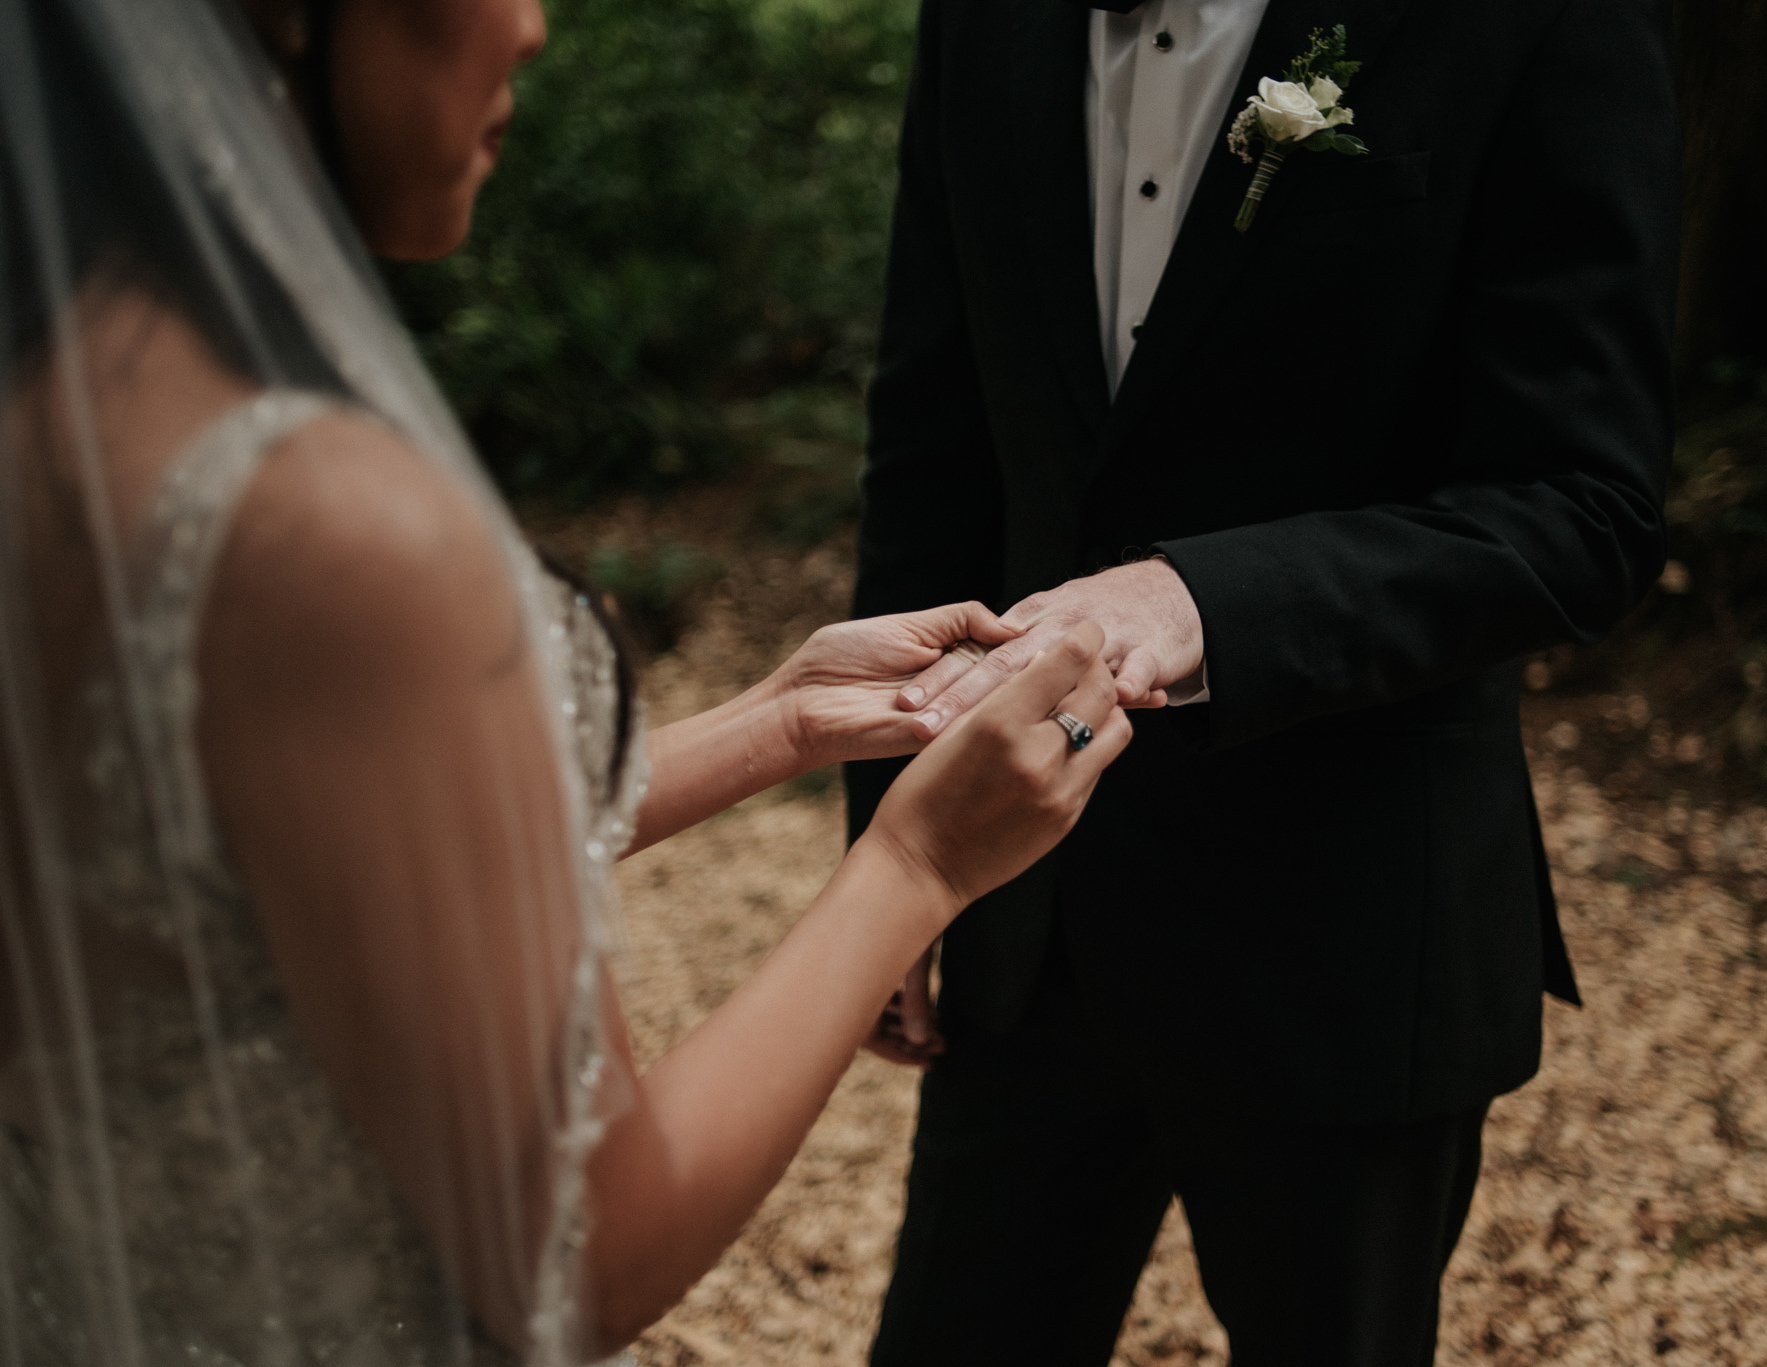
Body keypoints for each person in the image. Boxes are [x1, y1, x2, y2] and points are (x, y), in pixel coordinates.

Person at [0, 0, 1131, 1362]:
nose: (532, 28)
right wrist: (918, 866)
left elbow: (284, 875)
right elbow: (579, 1254)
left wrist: (776, 721)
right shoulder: (326, 531)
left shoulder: (59, 428)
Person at [848, 0, 1678, 1360]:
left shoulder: (1544, 22)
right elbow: (934, 457)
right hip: (1020, 915)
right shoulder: (980, 23)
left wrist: (1202, 600)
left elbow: (1583, 509)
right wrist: (889, 854)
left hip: (1345, 932)